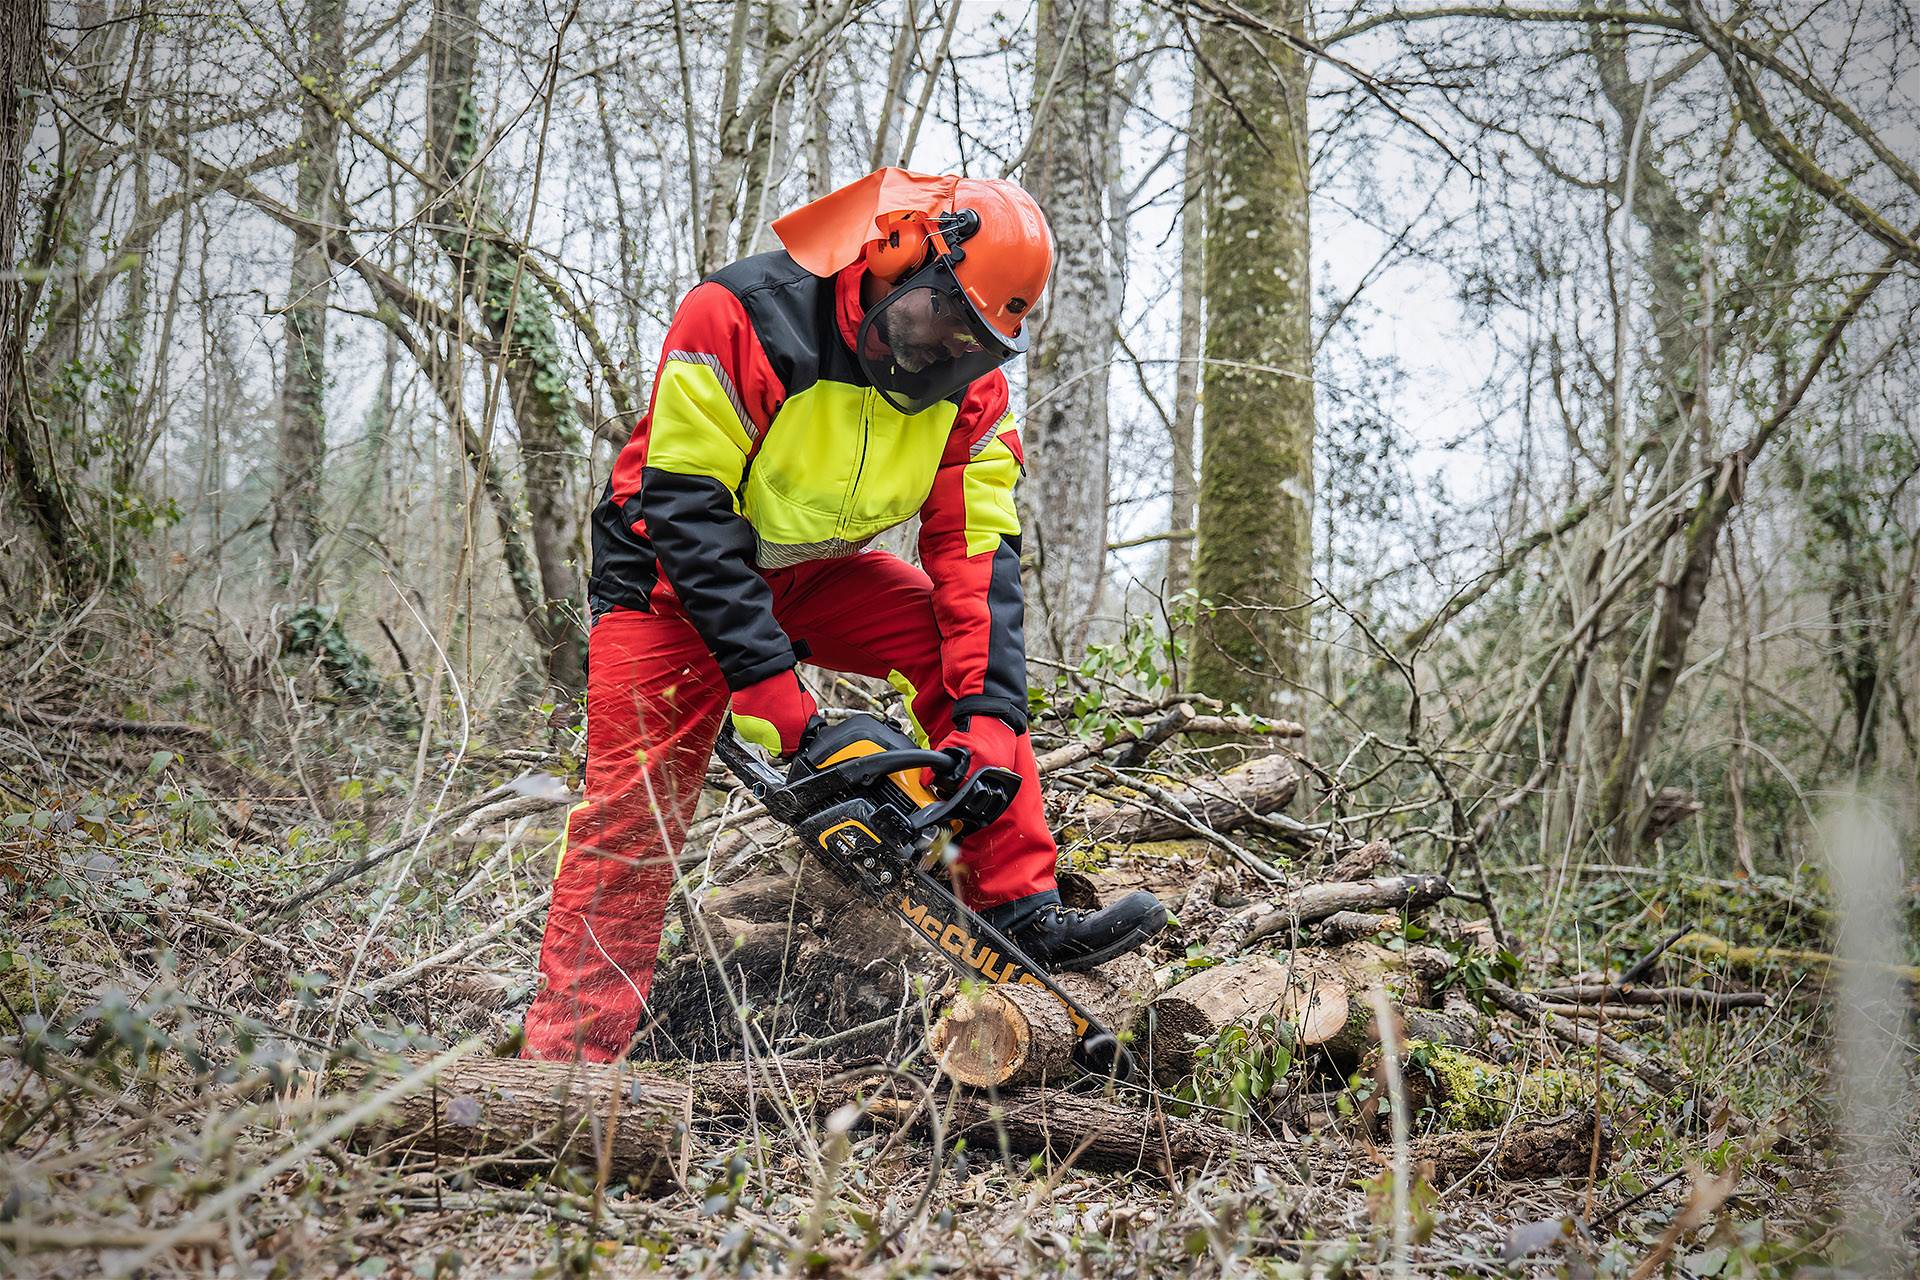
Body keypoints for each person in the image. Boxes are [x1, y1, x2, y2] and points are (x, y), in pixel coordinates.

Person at [522, 167, 1167, 1063]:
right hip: (668, 582)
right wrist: (791, 717)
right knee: (632, 820)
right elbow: (688, 516)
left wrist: (986, 720)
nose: (939, 353)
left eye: (970, 341)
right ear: (896, 253)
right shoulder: (744, 315)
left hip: (810, 570)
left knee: (960, 655)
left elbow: (979, 552)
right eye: (936, 318)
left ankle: (1021, 903)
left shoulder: (966, 393)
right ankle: (570, 1065)